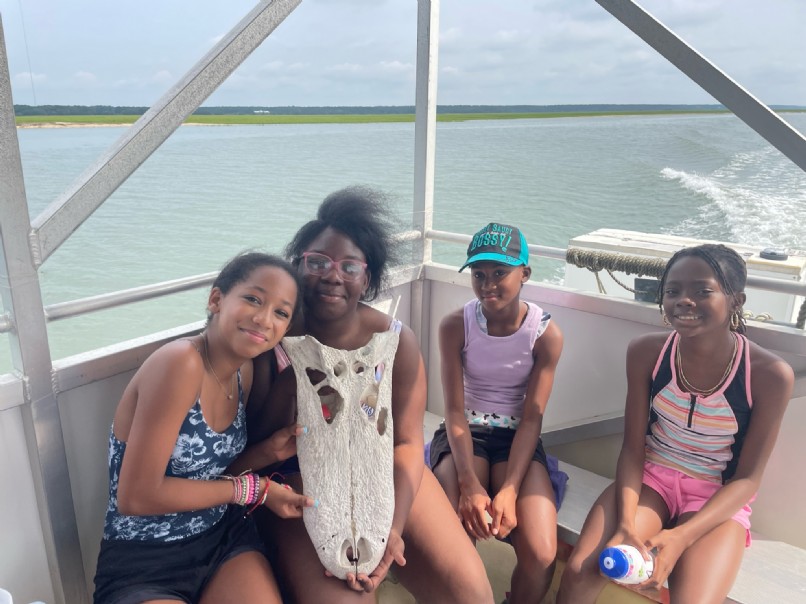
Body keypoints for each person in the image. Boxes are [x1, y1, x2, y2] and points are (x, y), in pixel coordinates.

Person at [247, 186, 494, 603]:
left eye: (349, 266)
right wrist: (297, 382)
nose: (332, 276)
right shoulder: (272, 337)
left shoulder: (395, 342)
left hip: (382, 470)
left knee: (471, 592)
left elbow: (407, 444)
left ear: (368, 278)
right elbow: (255, 444)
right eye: (318, 262)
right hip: (298, 482)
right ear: (298, 267)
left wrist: (392, 529)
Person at [557, 244, 794, 604]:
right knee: (582, 571)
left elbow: (747, 480)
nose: (684, 300)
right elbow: (633, 448)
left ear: (736, 300)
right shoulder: (647, 352)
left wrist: (681, 537)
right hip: (651, 480)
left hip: (716, 495)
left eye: (702, 291)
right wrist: (625, 524)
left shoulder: (769, 375)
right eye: (672, 291)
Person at [93, 252, 315, 604]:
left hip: (222, 538)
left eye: (280, 313)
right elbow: (136, 496)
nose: (263, 319)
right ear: (216, 300)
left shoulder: (243, 372)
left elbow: (209, 477)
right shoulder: (179, 363)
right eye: (253, 299)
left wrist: (267, 452)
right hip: (145, 557)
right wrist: (255, 491)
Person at [430, 222, 564, 604]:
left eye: (499, 273)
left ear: (525, 273)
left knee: (541, 553)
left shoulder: (545, 335)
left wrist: (509, 490)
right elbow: (453, 410)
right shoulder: (455, 325)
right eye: (478, 274)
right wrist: (469, 484)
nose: (487, 284)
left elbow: (532, 418)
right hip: (464, 432)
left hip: (516, 437)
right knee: (454, 535)